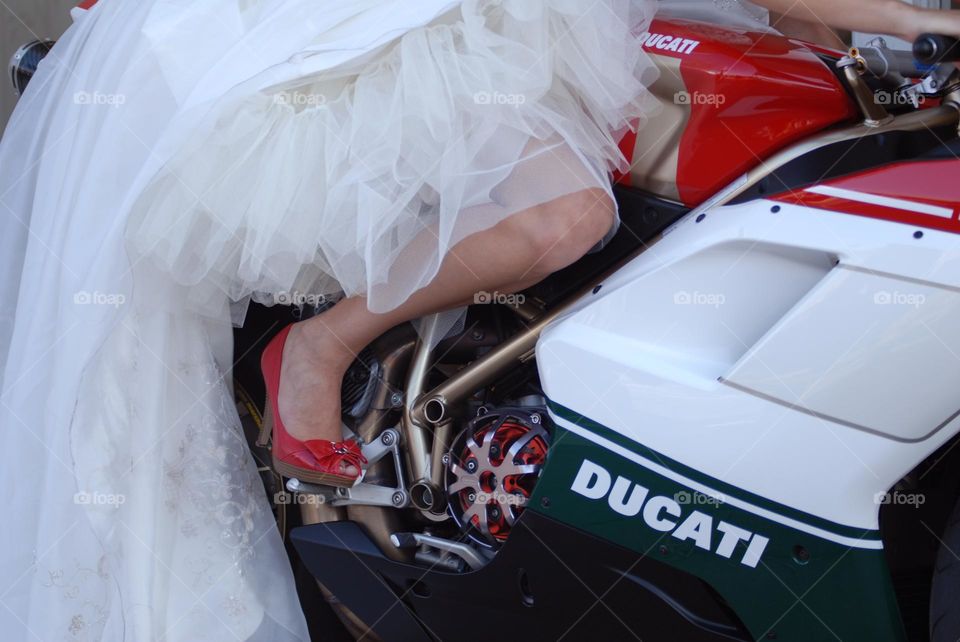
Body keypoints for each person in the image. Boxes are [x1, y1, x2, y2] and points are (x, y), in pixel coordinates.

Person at [0, 0, 958, 640]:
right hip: (375, 24)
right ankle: (317, 346)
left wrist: (928, 24)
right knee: (564, 217)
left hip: (504, 24)